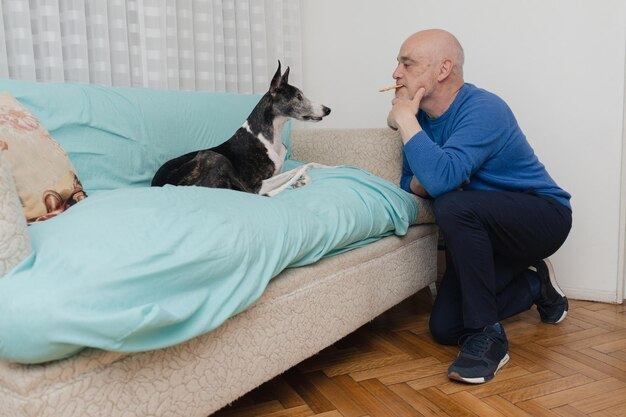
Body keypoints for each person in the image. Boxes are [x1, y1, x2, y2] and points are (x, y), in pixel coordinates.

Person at [386, 29, 572, 384]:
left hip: (540, 216)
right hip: (483, 234)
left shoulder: (484, 108)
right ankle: (537, 286)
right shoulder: (421, 124)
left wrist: (405, 120)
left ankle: (489, 338)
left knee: (454, 204)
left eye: (406, 64)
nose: (395, 73)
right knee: (445, 327)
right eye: (397, 63)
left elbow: (439, 184)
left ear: (443, 70)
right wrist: (437, 171)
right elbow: (411, 183)